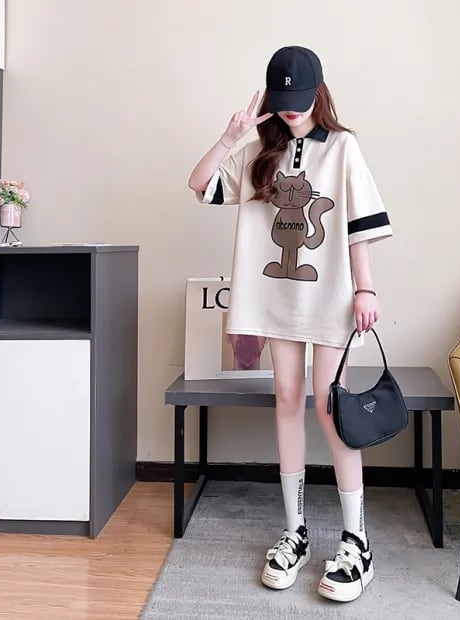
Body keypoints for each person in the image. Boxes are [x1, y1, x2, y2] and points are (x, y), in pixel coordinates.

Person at [188, 45, 392, 603]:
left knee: (329, 406)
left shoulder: (343, 147)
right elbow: (199, 183)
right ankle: (295, 531)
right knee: (285, 399)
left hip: (329, 295)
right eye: (282, 101)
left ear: (318, 94)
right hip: (275, 297)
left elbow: (358, 224)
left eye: (300, 100)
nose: (291, 110)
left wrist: (366, 288)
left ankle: (357, 541)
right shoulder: (260, 150)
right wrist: (230, 137)